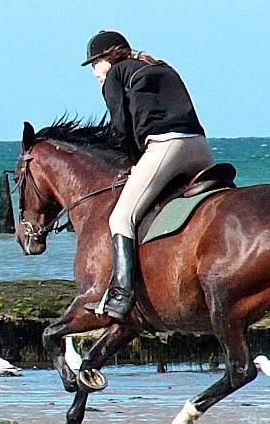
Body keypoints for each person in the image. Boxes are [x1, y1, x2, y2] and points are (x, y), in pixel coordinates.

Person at [82, 30, 214, 321]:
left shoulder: (116, 75)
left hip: (167, 147)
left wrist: (131, 162)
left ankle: (120, 296)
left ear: (108, 58)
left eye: (94, 64)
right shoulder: (160, 66)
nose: (94, 73)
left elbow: (120, 126)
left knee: (120, 218)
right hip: (200, 147)